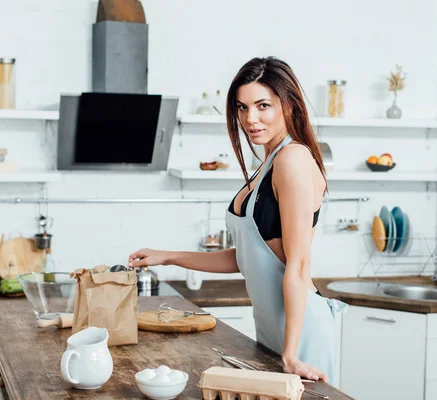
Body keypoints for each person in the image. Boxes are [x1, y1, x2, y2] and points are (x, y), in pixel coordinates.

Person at [128, 56, 347, 383]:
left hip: (300, 337)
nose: (250, 118)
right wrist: (168, 257)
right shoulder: (268, 163)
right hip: (274, 331)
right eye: (242, 108)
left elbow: (299, 264)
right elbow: (250, 255)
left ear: (288, 104)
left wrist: (290, 353)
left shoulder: (293, 159)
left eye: (263, 105)